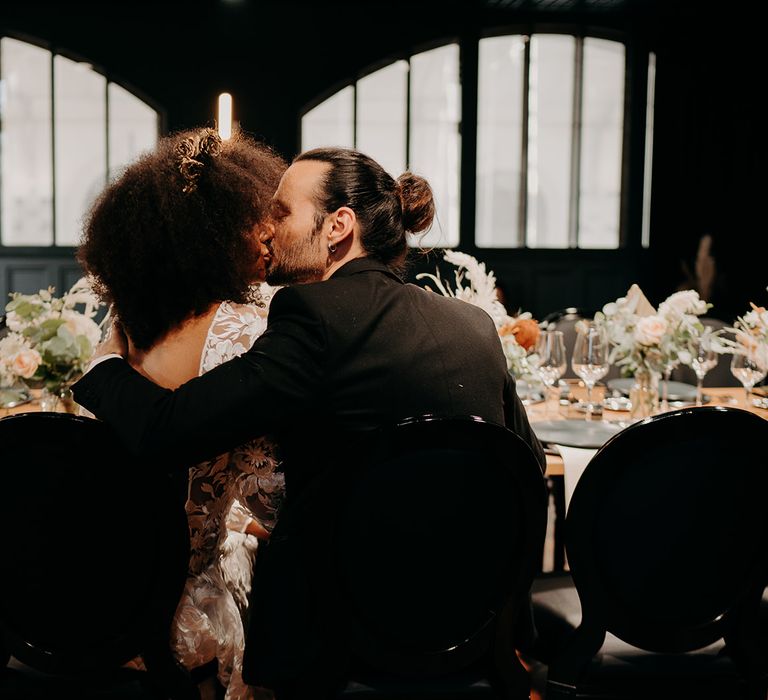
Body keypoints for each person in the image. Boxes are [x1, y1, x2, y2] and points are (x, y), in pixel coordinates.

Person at [73, 146, 546, 699]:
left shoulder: (311, 317)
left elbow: (165, 431)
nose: (266, 231)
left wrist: (105, 362)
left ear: (338, 226)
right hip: (468, 622)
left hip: (342, 636)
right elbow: (528, 463)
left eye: (281, 212)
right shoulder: (472, 325)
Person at [77, 126, 288, 700]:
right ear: (210, 237)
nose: (268, 233)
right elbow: (275, 496)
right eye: (253, 220)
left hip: (102, 588)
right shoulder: (254, 326)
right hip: (204, 605)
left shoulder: (122, 336)